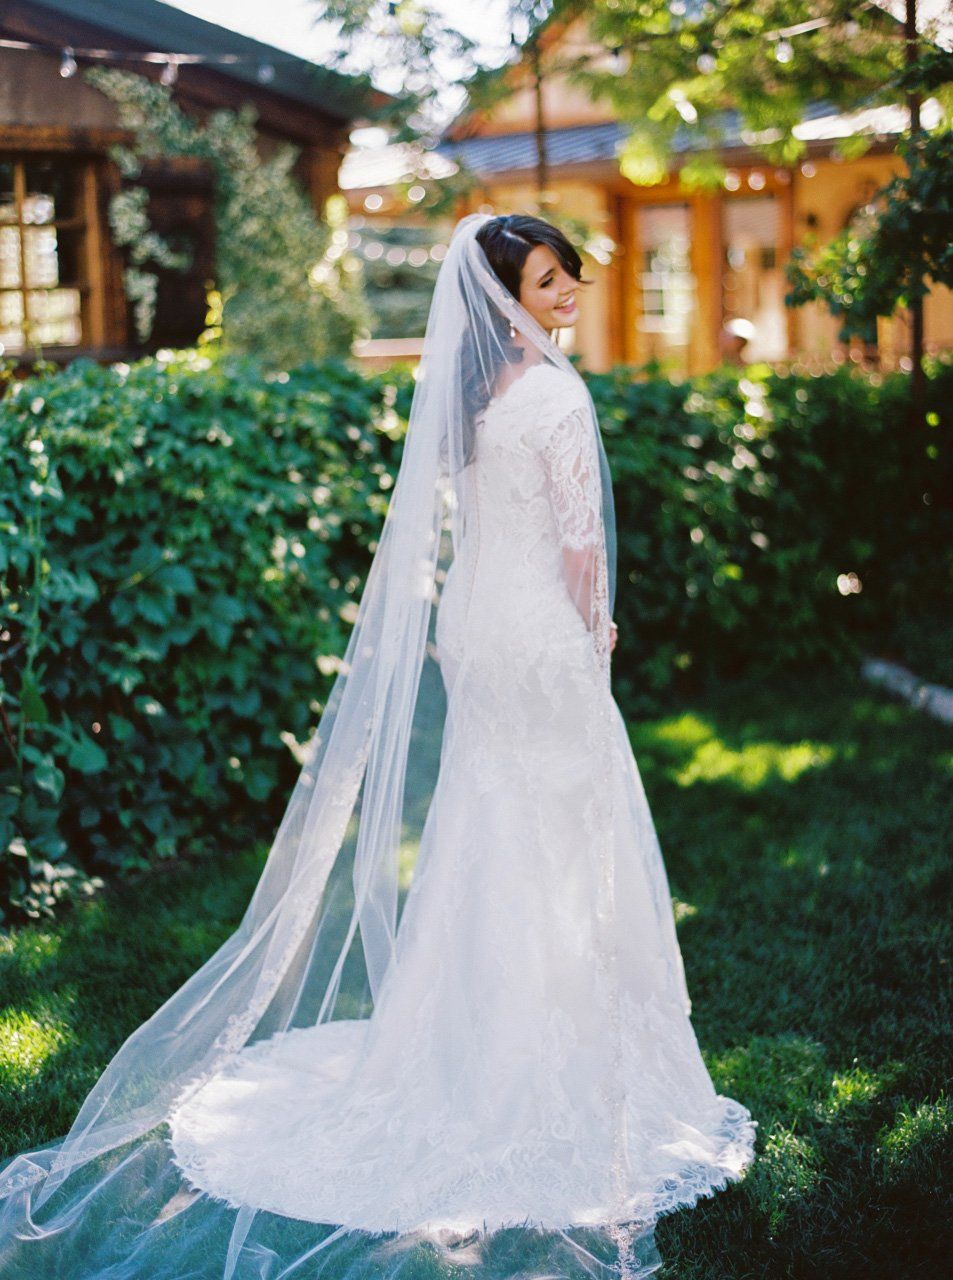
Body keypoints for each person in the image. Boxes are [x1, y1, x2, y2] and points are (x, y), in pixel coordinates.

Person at [0, 212, 757, 1280]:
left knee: (488, 825)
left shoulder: (468, 396)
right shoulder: (555, 395)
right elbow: (582, 550)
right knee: (560, 832)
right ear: (505, 298)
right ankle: (560, 1055)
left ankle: (462, 1037)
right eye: (546, 283)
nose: (565, 295)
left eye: (566, 277)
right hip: (535, 635)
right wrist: (597, 639)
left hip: (475, 626)